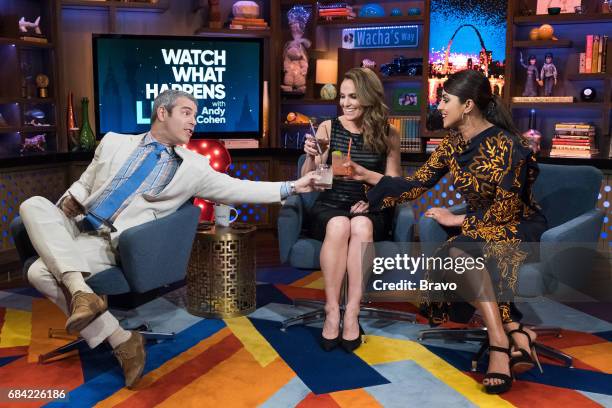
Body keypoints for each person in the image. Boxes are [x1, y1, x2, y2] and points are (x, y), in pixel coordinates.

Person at [19, 90, 320, 389]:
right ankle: (110, 326)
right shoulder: (113, 142)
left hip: (113, 242)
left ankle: (100, 316)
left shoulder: (194, 167)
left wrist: (292, 186)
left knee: (37, 271)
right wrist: (73, 200)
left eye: (196, 116)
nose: (194, 122)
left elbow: (239, 188)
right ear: (162, 113)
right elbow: (84, 184)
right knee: (32, 204)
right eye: (187, 113)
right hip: (76, 226)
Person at [346, 69, 546, 394]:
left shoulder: (510, 146)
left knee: (457, 251)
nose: (439, 105)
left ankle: (501, 343)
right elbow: (416, 184)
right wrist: (371, 185)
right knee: (459, 252)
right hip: (480, 226)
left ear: (467, 105)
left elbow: (506, 210)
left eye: (445, 99)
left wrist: (457, 222)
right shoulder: (452, 144)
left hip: (517, 225)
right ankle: (513, 333)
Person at [301, 68, 401, 352]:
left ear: (369, 97)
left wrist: (371, 199)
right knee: (339, 225)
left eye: (353, 96)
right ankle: (332, 311)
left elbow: (393, 185)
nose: (345, 103)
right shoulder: (328, 128)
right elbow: (313, 180)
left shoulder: (388, 133)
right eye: (342, 97)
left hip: (371, 206)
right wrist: (311, 157)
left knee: (361, 225)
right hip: (331, 204)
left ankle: (353, 313)